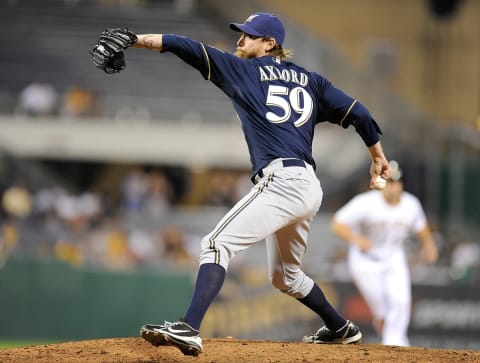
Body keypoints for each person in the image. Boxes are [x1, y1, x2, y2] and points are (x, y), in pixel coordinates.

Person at [97, 12, 390, 355]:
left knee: (215, 244)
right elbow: (360, 114)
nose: (240, 39)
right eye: (241, 34)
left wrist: (135, 40)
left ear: (270, 43)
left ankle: (189, 327)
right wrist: (377, 157)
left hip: (282, 180)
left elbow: (185, 46)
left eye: (250, 35)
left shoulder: (244, 70)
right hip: (308, 186)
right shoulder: (313, 82)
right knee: (286, 277)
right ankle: (340, 327)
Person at [330, 160, 438, 346]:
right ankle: (386, 331)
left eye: (396, 182)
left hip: (394, 257)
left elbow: (422, 228)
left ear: (401, 184)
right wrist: (357, 240)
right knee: (381, 308)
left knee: (400, 301)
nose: (392, 187)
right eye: (388, 182)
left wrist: (429, 245)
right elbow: (337, 223)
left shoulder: (410, 204)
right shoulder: (366, 202)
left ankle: (396, 344)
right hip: (366, 261)